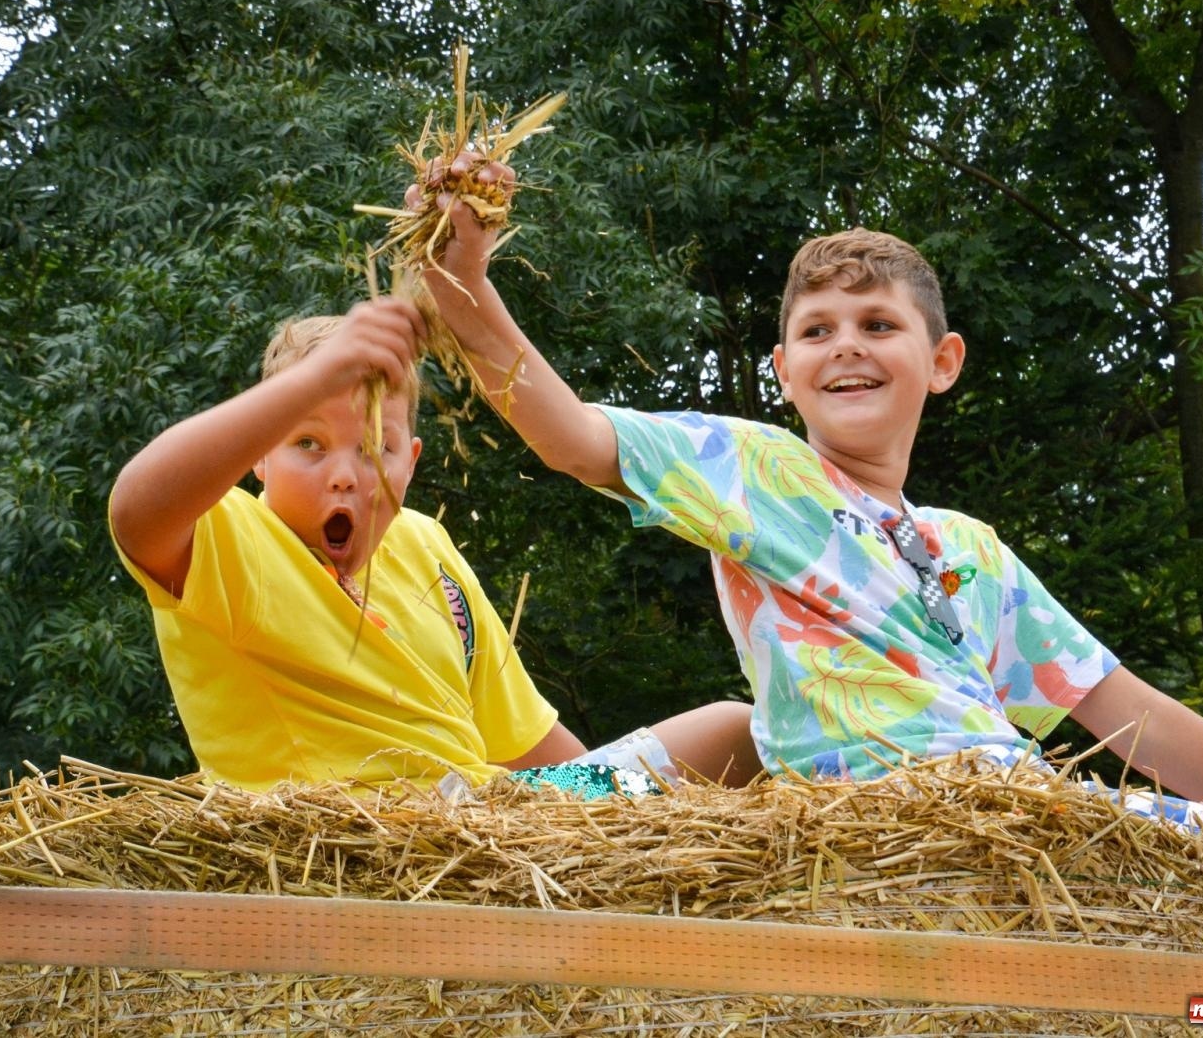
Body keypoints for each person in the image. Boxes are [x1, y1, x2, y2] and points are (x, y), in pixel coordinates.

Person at [416, 154, 1203, 855]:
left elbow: (1130, 715)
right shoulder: (754, 469)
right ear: (783, 373)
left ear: (941, 363)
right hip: (868, 826)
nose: (845, 347)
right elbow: (570, 436)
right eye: (816, 331)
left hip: (1016, 807)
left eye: (878, 325)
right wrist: (461, 282)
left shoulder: (970, 549)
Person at [109, 300, 758, 794]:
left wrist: (600, 823)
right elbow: (137, 509)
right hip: (350, 852)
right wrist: (318, 378)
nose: (344, 473)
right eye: (307, 442)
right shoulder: (231, 538)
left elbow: (537, 752)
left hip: (493, 823)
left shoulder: (426, 544)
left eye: (374, 448)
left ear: (410, 463)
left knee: (739, 731)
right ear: (257, 455)